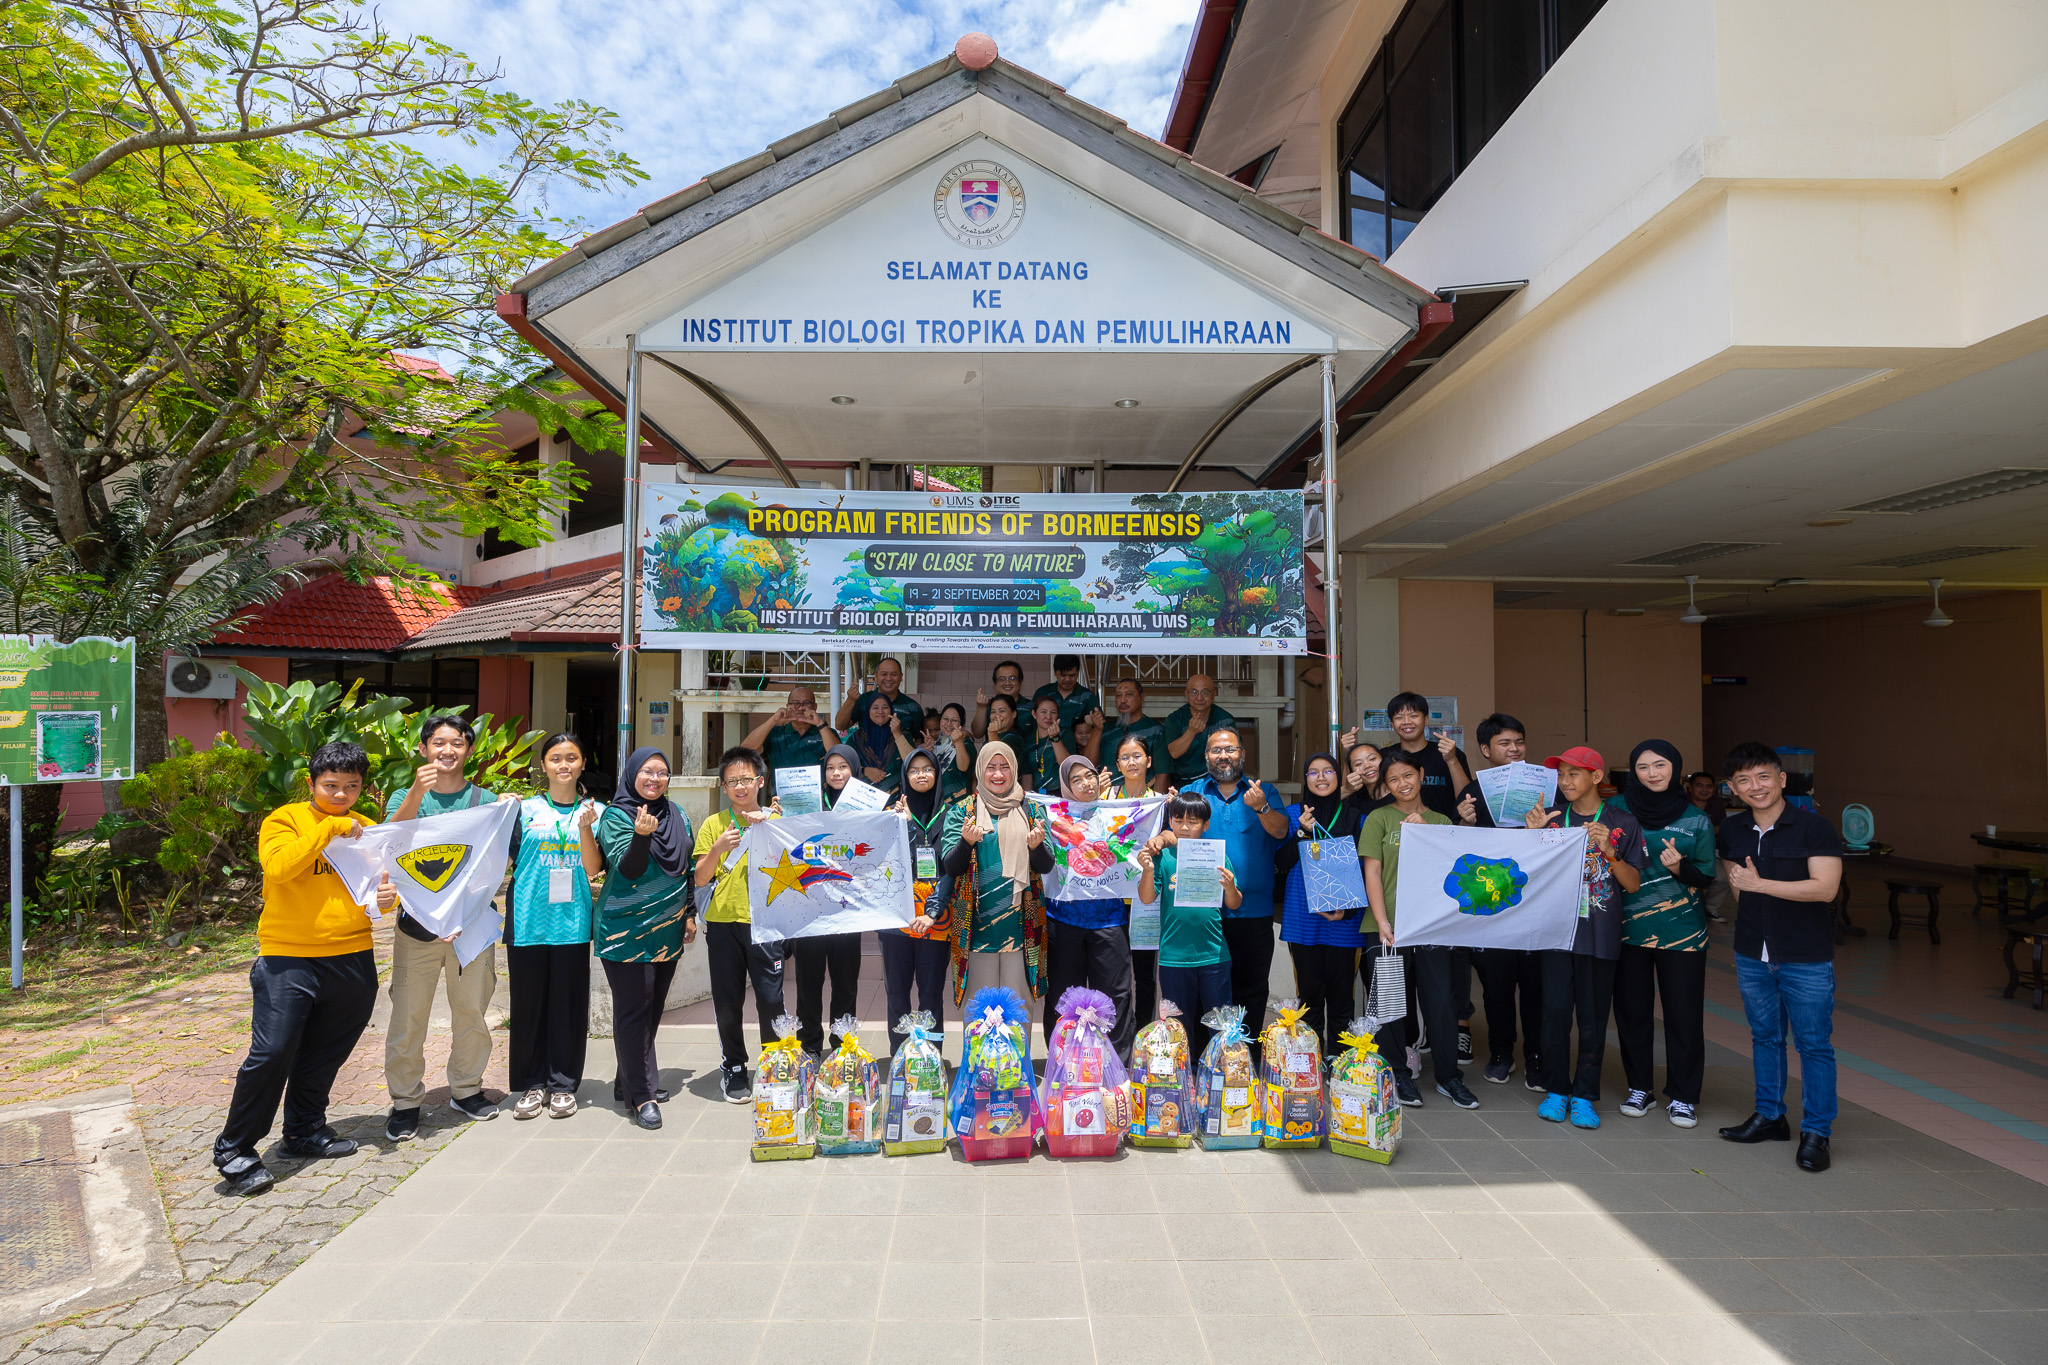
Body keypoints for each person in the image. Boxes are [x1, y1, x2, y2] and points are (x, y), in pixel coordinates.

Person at [213, 741, 397, 1196]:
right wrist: (330, 828)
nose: (341, 794)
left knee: (324, 1052)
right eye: (331, 785)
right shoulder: (285, 820)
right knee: (273, 1052)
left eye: (351, 786)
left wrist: (384, 901)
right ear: (312, 783)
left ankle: (303, 1130)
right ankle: (234, 1149)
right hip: (287, 957)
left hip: (352, 955)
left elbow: (372, 895)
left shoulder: (367, 829)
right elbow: (278, 869)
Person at [382, 714, 522, 1142]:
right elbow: (390, 842)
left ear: (469, 750)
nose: (447, 751)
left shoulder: (486, 800)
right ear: (423, 748)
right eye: (439, 743)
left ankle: (466, 1089)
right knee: (408, 1018)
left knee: (472, 1013)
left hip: (472, 929)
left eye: (457, 743)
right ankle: (405, 1102)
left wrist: (509, 809)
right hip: (417, 929)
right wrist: (416, 791)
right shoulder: (405, 796)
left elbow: (501, 859)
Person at [1714, 742, 1844, 1173]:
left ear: (1782, 779)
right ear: (1733, 788)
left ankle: (1817, 1132)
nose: (1756, 786)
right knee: (1765, 1037)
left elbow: (1825, 889)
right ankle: (1770, 1116)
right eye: (1744, 780)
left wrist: (1761, 886)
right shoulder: (1732, 830)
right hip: (1753, 952)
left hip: (1805, 955)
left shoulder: (1815, 828)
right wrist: (1751, 889)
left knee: (1813, 1045)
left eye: (1764, 776)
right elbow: (1738, 889)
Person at [1524, 745, 1645, 1130]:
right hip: (1556, 933)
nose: (1564, 781)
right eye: (1561, 774)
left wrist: (1609, 851)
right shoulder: (1550, 819)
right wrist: (1530, 836)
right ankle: (1556, 1090)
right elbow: (1524, 875)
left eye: (1573, 773)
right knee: (1555, 1014)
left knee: (1593, 1019)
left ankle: (1584, 1095)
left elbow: (1633, 884)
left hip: (1600, 934)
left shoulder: (1622, 822)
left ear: (1596, 777)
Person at [1358, 750, 1479, 1110]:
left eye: (1407, 775)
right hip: (1388, 925)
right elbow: (1372, 871)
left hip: (1430, 926)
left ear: (1421, 774)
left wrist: (1428, 834)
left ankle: (1449, 1076)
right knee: (1390, 1005)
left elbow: (1454, 871)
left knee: (1441, 1001)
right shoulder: (1378, 818)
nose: (1402, 784)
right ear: (1385, 785)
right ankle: (1397, 1073)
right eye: (1393, 779)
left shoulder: (1440, 820)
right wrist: (1382, 921)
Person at [587, 746, 695, 1130]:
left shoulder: (677, 814)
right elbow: (628, 868)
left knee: (651, 1010)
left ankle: (627, 1081)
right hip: (625, 930)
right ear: (632, 773)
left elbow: (686, 867)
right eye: (647, 771)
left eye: (662, 772)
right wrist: (641, 836)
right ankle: (643, 1095)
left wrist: (690, 913)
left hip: (667, 928)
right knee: (633, 1011)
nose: (655, 778)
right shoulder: (616, 816)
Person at [1613, 740, 1716, 1129]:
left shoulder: (1696, 819)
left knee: (1683, 1015)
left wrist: (1680, 868)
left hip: (1683, 932)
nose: (1652, 773)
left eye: (1660, 765)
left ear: (1675, 768)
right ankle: (1639, 1087)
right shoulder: (1616, 809)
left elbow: (1706, 876)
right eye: (1643, 767)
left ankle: (1684, 1096)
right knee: (1632, 1013)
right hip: (1625, 929)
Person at [505, 733, 604, 1121]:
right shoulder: (523, 810)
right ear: (543, 765)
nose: (564, 765)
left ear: (583, 764)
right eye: (556, 758)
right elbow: (501, 860)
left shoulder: (596, 811)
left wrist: (585, 828)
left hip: (572, 922)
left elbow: (593, 869)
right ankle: (531, 1083)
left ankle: (562, 1084)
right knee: (528, 1005)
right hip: (527, 919)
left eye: (572, 758)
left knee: (568, 1006)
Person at [1182, 728, 1287, 1058]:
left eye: (1230, 749)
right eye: (1216, 750)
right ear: (1206, 756)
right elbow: (1175, 833)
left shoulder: (1263, 791)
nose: (1223, 756)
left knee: (1251, 989)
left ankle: (1246, 1062)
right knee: (1202, 987)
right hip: (1203, 912)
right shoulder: (1191, 792)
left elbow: (1281, 830)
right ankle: (1203, 1061)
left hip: (1253, 912)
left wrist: (1262, 808)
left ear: (1242, 753)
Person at [1457, 713, 1544, 1090]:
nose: (1514, 749)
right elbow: (1457, 854)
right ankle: (1501, 1053)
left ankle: (1537, 1057)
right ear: (1485, 750)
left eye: (1519, 742)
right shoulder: (1471, 794)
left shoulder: (1544, 787)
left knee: (1536, 988)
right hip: (1491, 908)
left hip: (1536, 904)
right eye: (1504, 743)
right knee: (1496, 988)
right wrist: (1463, 823)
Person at [693, 746, 784, 1103]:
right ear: (724, 787)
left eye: (746, 779)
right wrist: (718, 848)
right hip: (722, 923)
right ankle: (733, 1067)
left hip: (767, 924)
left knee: (771, 1000)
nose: (740, 787)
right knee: (728, 1002)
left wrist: (774, 825)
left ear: (760, 781)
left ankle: (774, 1064)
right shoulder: (713, 824)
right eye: (732, 781)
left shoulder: (777, 822)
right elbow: (700, 879)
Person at [939, 741, 1053, 1005]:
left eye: (1005, 767)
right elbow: (951, 867)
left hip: (1023, 931)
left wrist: (1035, 847)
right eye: (991, 767)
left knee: (1018, 1015)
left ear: (1014, 769)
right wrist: (966, 842)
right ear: (980, 770)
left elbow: (1046, 866)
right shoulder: (962, 811)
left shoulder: (1032, 809)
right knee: (979, 1016)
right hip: (975, 932)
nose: (998, 774)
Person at [1039, 756, 1136, 1061]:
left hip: (1109, 919)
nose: (1086, 783)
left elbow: (1146, 825)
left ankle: (1116, 1063)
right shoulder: (1052, 814)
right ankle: (1064, 1062)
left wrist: (1166, 805)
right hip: (1063, 920)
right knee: (1063, 995)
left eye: (1090, 775)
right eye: (1076, 779)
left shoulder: (1116, 813)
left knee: (1115, 995)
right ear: (1065, 786)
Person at [1276, 753, 1371, 1060]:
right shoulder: (1292, 814)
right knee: (1309, 997)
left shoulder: (1357, 817)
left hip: (1345, 921)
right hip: (1302, 919)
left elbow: (1366, 869)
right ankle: (1312, 1060)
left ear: (1338, 778)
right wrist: (1302, 832)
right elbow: (1282, 862)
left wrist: (1349, 910)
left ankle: (1340, 1060)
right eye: (1313, 772)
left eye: (1328, 771)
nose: (1320, 777)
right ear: (1305, 780)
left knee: (1342, 999)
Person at [1138, 793, 1241, 1062]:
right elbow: (1147, 898)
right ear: (1170, 821)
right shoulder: (1163, 857)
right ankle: (1182, 1077)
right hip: (1174, 957)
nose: (1184, 827)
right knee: (1177, 1028)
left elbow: (1234, 903)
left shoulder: (1217, 856)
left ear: (1206, 825)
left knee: (1221, 1025)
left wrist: (1230, 887)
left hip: (1214, 955)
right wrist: (1147, 870)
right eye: (1178, 820)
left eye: (1193, 822)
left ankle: (1222, 1075)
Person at [793, 744, 866, 1055]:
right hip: (810, 909)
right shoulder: (806, 803)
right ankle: (809, 1044)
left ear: (854, 770)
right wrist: (778, 813)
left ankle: (842, 1047)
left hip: (846, 911)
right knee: (808, 982)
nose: (836, 773)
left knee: (846, 983)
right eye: (830, 768)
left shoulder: (867, 808)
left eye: (843, 767)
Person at [885, 749, 955, 1054]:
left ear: (937, 773)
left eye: (927, 768)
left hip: (935, 918)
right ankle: (900, 1057)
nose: (921, 774)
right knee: (897, 992)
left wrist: (933, 912)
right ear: (905, 776)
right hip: (897, 917)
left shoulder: (951, 814)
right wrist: (903, 825)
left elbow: (951, 867)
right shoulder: (891, 815)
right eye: (914, 770)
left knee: (931, 993)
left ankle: (931, 1059)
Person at [1106, 732, 1164, 1029]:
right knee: (1113, 972)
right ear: (1117, 764)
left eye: (1137, 756)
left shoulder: (1161, 802)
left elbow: (1173, 834)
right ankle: (1115, 1033)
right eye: (1125, 757)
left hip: (1145, 899)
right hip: (1112, 898)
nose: (1131, 762)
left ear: (1148, 761)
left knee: (1144, 974)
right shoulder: (1106, 798)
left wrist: (1163, 838)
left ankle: (1143, 1034)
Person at [1379, 692, 1470, 820]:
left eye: (1413, 716)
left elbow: (1466, 798)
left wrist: (1451, 760)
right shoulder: (1383, 757)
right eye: (1399, 717)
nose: (1406, 722)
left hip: (1442, 828)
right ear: (1392, 723)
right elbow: (1372, 796)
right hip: (1395, 828)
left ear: (1426, 720)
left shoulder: (1449, 753)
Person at [741, 685, 838, 800]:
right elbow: (746, 749)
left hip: (819, 802)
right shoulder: (776, 734)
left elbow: (839, 756)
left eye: (806, 703)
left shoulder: (825, 732)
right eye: (795, 703)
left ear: (814, 707)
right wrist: (773, 720)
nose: (800, 708)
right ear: (788, 706)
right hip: (783, 803)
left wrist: (820, 723)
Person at [1091, 678, 1167, 791]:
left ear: (1141, 698)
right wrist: (1097, 730)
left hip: (1142, 797)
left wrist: (1155, 800)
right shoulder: (1106, 729)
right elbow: (1089, 764)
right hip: (1109, 796)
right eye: (1118, 695)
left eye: (1129, 694)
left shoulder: (1157, 731)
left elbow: (1162, 775)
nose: (1122, 700)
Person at [1161, 673, 1235, 788]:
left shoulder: (1225, 719)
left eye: (1205, 692)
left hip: (1215, 780)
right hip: (1182, 781)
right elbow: (1174, 753)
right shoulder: (1175, 719)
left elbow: (1231, 755)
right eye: (1194, 692)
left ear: (1214, 694)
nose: (1199, 698)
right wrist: (1191, 732)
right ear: (1186, 694)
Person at [835, 655, 922, 736]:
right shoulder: (863, 700)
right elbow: (840, 726)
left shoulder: (913, 707)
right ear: (876, 677)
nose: (888, 678)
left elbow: (918, 741)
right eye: (884, 674)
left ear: (901, 677)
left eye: (893, 674)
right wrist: (850, 700)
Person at [1686, 771, 1732, 922]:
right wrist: (1709, 829)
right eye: (1699, 785)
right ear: (1690, 787)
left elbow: (1723, 827)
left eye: (1709, 786)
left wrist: (1698, 831)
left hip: (1709, 851)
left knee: (1724, 878)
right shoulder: (1680, 802)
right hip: (1683, 852)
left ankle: (1709, 909)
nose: (1704, 790)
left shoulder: (1716, 803)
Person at [1031, 654, 1101, 750]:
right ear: (1055, 672)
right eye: (1062, 675)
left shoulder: (1087, 696)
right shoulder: (1043, 692)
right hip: (1045, 749)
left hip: (1076, 749)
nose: (1067, 680)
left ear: (1078, 673)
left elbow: (1100, 725)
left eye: (1072, 675)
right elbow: (1033, 724)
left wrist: (1094, 721)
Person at [849, 691, 904, 792]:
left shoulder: (902, 735)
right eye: (875, 708)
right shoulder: (856, 738)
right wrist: (864, 771)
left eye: (885, 707)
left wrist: (897, 733)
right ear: (868, 711)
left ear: (891, 711)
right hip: (862, 795)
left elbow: (911, 762)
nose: (880, 711)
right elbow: (843, 765)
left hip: (897, 796)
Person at [1023, 693, 1074, 795]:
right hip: (1037, 794)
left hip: (1062, 794)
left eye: (1053, 712)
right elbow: (1026, 773)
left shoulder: (1065, 734)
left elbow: (1067, 765)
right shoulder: (1028, 739)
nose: (1048, 717)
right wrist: (1028, 798)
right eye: (1043, 712)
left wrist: (1055, 738)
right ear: (1034, 714)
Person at [971, 658, 1027, 739]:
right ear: (995, 683)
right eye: (1002, 679)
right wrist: (981, 707)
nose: (1007, 683)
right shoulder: (988, 705)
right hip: (993, 746)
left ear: (1020, 681)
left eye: (1012, 678)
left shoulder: (1031, 706)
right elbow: (977, 734)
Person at [932, 703, 976, 802]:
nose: (949, 724)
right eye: (945, 719)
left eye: (954, 720)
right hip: (939, 804)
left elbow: (963, 767)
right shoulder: (936, 744)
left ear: (961, 724)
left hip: (961, 804)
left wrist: (959, 741)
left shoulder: (966, 743)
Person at [1338, 735, 1388, 820]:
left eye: (1372, 759)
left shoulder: (1400, 792)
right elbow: (1325, 804)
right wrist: (1347, 789)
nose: (1367, 766)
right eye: (1358, 764)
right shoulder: (1354, 800)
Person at [983, 693, 1030, 761]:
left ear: (1014, 714)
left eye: (1002, 711)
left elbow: (999, 760)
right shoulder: (994, 735)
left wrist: (992, 733)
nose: (997, 716)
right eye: (993, 712)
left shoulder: (1015, 739)